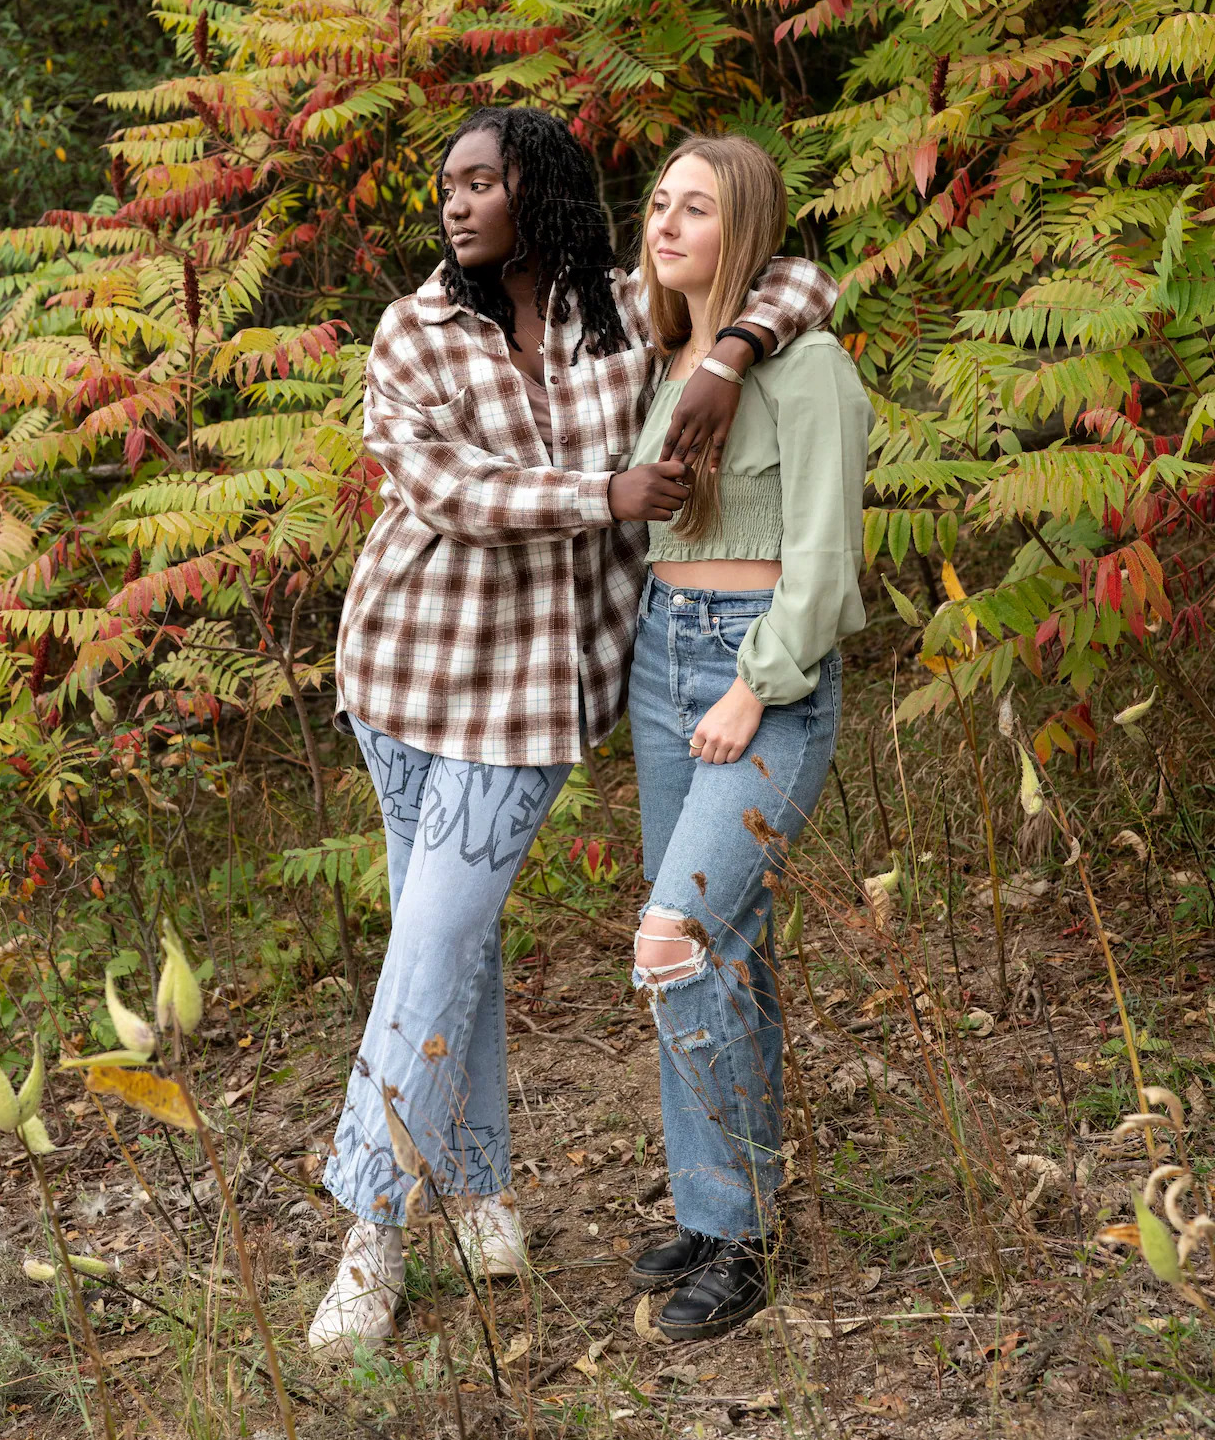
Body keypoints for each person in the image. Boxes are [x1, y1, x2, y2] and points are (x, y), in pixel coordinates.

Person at [308, 106, 837, 1357]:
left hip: (534, 698)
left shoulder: (627, 319)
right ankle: (483, 1197)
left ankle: (370, 1240)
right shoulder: (413, 329)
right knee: (450, 947)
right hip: (401, 677)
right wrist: (601, 494)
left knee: (430, 945)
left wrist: (727, 354)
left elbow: (797, 270)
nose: (456, 202)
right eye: (446, 183)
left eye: (483, 181)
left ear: (538, 190)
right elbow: (441, 489)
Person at [621, 135, 872, 1340]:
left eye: (699, 209)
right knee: (720, 955)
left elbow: (823, 564)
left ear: (749, 231)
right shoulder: (661, 357)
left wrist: (755, 683)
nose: (667, 225)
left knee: (671, 942)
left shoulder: (808, 368)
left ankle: (752, 1232)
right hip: (660, 660)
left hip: (760, 670)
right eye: (659, 203)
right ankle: (723, 1213)